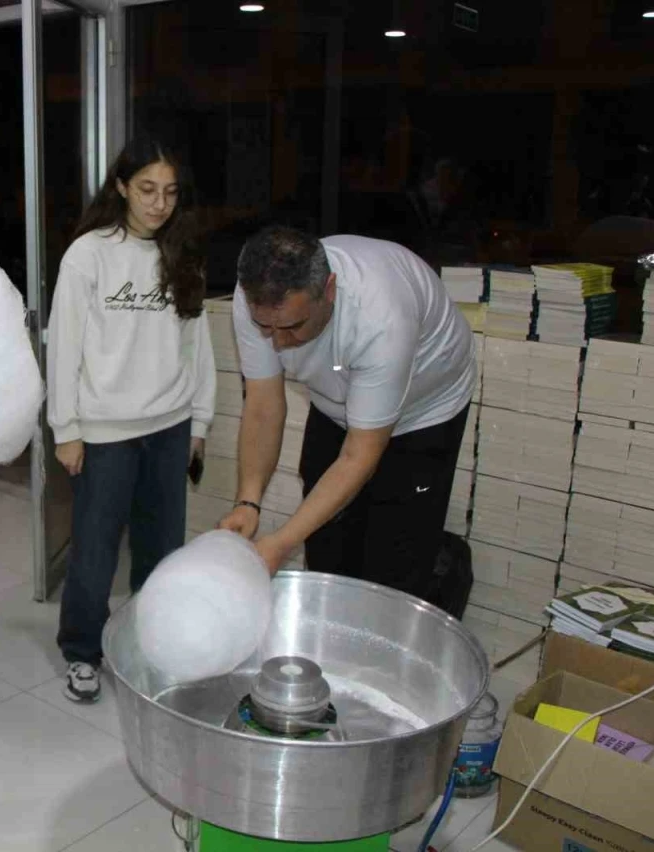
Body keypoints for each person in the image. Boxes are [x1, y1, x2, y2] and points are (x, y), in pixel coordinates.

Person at [219, 226, 476, 605]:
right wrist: (248, 502)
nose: (279, 342)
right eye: (264, 327)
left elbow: (360, 455)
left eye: (292, 326)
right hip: (335, 404)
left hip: (424, 413)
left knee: (394, 568)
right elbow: (262, 406)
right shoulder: (253, 296)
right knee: (327, 547)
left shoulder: (381, 316)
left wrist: (281, 543)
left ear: (329, 290)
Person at [47, 137, 215, 705]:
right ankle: (81, 651)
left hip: (170, 426)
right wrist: (66, 429)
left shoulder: (184, 255)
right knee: (94, 551)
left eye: (169, 192)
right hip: (105, 433)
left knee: (161, 551)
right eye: (146, 189)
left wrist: (199, 423)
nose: (158, 203)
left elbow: (198, 348)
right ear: (121, 187)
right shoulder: (89, 254)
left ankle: (150, 645)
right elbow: (64, 345)